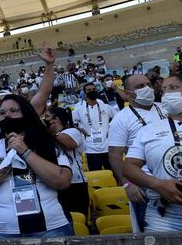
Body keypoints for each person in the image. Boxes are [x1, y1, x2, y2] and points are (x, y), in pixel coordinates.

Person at [0, 95, 73, 239]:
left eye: (13, 110)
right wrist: (8, 159)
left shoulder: (48, 143)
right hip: (1, 231)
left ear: (26, 113)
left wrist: (25, 152)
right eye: (2, 113)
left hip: (52, 228)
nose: (7, 115)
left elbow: (63, 180)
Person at [124, 74, 182, 232]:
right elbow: (128, 167)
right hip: (164, 216)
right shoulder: (148, 130)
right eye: (163, 90)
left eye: (173, 88)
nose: (167, 93)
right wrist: (158, 184)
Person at [108, 74, 166, 231]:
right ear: (127, 94)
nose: (147, 88)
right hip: (144, 187)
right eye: (140, 86)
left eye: (148, 84)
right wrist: (127, 183)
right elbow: (115, 155)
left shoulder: (165, 108)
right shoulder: (121, 119)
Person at [44, 107, 89, 218]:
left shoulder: (72, 131)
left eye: (47, 117)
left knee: (78, 219)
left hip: (75, 184)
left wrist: (41, 131)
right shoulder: (48, 136)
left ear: (56, 119)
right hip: (56, 182)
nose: (44, 119)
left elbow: (64, 143)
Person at [72, 83, 115, 171]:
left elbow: (118, 119)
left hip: (107, 147)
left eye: (94, 89)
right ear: (84, 93)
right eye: (89, 90)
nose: (92, 91)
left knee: (115, 174)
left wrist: (110, 129)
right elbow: (72, 122)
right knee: (96, 178)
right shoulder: (79, 110)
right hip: (91, 149)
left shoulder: (106, 107)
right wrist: (80, 129)